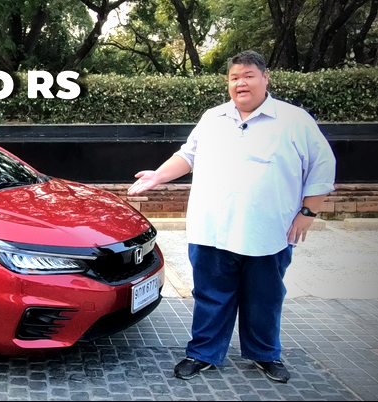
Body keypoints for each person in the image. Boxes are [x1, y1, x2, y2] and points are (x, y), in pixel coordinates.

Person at [127, 50, 336, 383]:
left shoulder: (294, 120)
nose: (241, 83)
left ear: (265, 78)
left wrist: (308, 212)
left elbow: (322, 166)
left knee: (264, 299)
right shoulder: (213, 118)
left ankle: (265, 354)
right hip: (212, 229)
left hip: (269, 232)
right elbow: (188, 155)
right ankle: (203, 353)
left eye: (249, 76)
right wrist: (158, 175)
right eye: (235, 77)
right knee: (210, 296)